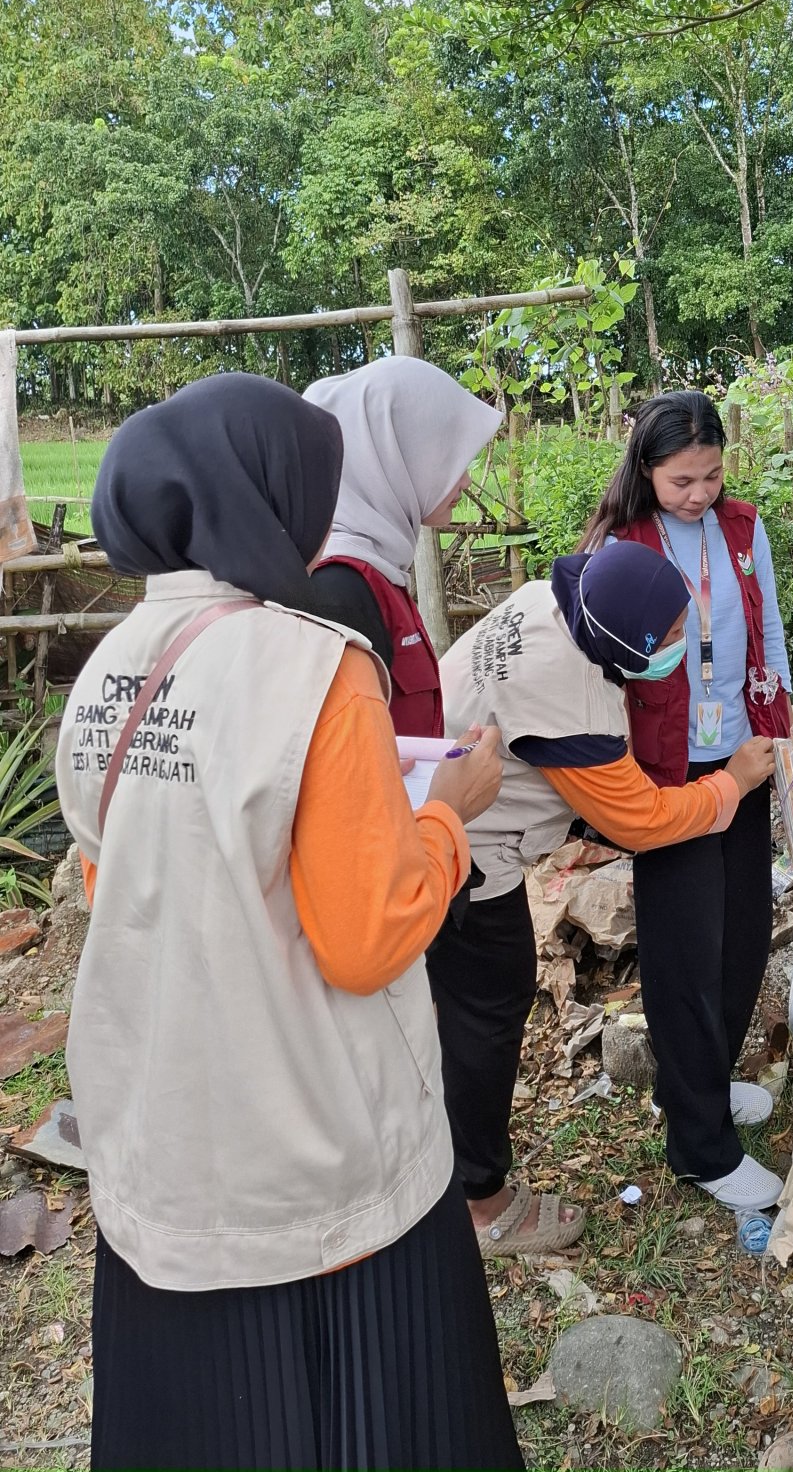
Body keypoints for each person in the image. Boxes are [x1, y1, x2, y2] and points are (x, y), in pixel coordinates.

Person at [55, 374, 520, 1472]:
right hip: (313, 1162)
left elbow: (107, 877)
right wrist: (449, 819)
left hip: (161, 1136)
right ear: (269, 498)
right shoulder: (314, 668)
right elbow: (368, 934)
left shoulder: (110, 667)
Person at [435, 540, 777, 1249]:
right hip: (464, 853)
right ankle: (479, 1198)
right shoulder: (567, 702)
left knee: (476, 1008)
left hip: (449, 809)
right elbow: (641, 822)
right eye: (673, 637)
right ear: (629, 645)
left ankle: (693, 1094)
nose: (684, 642)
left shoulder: (555, 599)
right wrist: (732, 784)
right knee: (486, 1013)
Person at [584, 391, 793, 1212]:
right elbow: (600, 666)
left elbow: (767, 627)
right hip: (668, 770)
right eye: (680, 481)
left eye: (710, 476)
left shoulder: (741, 530)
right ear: (645, 469)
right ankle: (701, 1147)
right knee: (682, 954)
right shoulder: (622, 541)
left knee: (741, 936)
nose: (698, 494)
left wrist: (776, 729)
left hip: (742, 759)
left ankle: (695, 1086)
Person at [303, 357, 502, 728]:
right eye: (449, 459)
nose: (466, 482)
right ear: (400, 456)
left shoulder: (380, 567)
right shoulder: (339, 592)